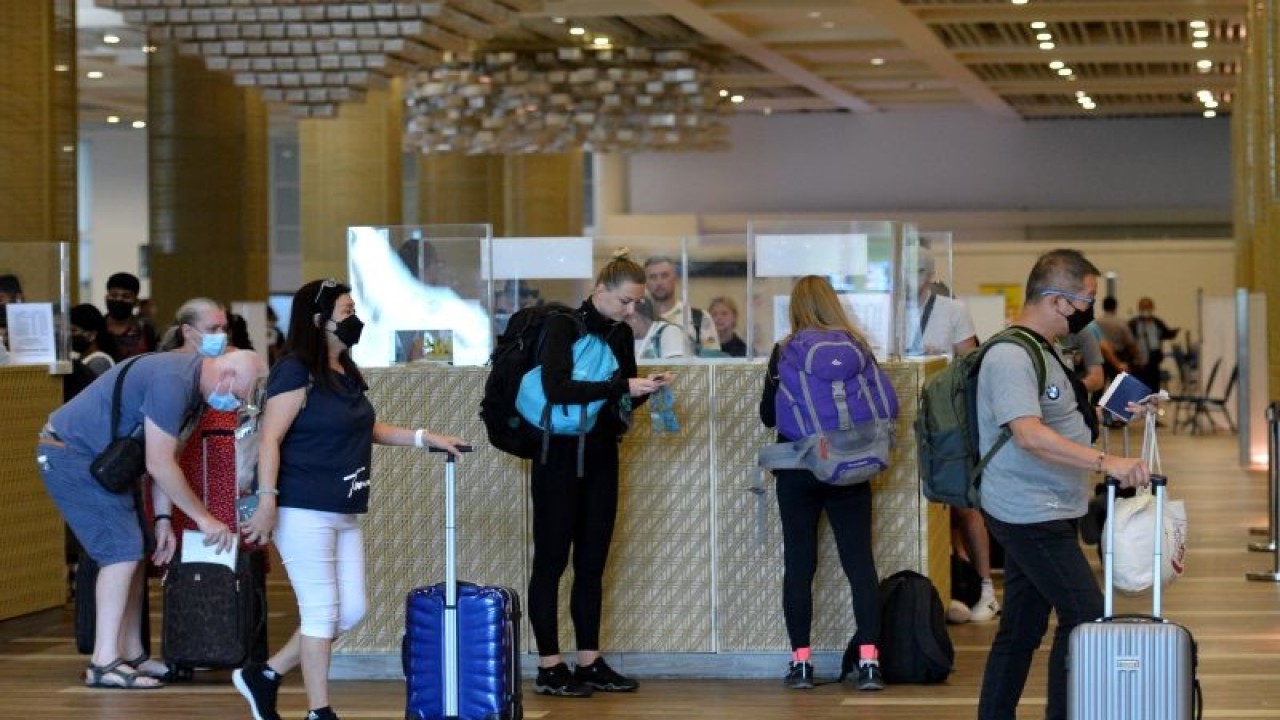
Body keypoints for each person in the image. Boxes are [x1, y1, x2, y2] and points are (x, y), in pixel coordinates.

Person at [232, 278, 466, 720]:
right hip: (301, 506)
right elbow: (270, 439)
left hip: (344, 506)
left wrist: (424, 437)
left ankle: (265, 674)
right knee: (321, 613)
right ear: (319, 320)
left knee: (351, 611)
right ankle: (319, 711)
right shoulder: (295, 370)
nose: (355, 318)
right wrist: (266, 501)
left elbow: (365, 428)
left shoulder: (344, 370)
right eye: (346, 311)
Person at [976, 249, 1149, 720]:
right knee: (1085, 615)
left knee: (1021, 628)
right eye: (1086, 299)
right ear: (1056, 299)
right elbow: (1029, 434)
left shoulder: (1045, 349)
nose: (1089, 310)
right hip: (1029, 510)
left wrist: (1113, 413)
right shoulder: (1010, 355)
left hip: (1050, 504)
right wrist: (1107, 462)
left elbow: (1059, 417)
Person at [37, 349, 264, 690]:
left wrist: (162, 520)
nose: (236, 404)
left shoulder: (193, 388)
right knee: (120, 553)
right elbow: (159, 464)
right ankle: (103, 662)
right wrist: (204, 519)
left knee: (137, 548)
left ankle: (131, 653)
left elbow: (163, 458)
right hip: (70, 454)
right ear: (226, 377)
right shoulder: (173, 383)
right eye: (240, 395)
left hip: (104, 462)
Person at [527, 256, 666, 698]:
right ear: (600, 289)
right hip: (558, 455)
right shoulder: (562, 326)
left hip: (603, 453)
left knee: (592, 563)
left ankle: (589, 661)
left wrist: (644, 390)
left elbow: (617, 401)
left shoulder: (620, 333)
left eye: (637, 303)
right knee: (551, 561)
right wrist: (622, 386)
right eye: (625, 301)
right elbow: (557, 390)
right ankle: (550, 666)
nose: (631, 310)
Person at [759, 275, 891, 692]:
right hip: (851, 464)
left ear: (794, 307)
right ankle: (869, 663)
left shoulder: (784, 351)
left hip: (799, 468)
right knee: (860, 564)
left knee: (800, 566)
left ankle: (801, 664)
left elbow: (768, 416)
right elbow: (885, 405)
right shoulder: (859, 348)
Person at [643, 255, 719, 356]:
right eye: (653, 277)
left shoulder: (699, 318)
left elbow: (714, 359)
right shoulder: (639, 320)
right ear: (645, 283)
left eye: (664, 276)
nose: (659, 282)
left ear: (676, 279)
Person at [908, 249, 978, 357]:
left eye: (917, 272)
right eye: (904, 270)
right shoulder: (883, 309)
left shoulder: (954, 310)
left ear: (931, 275)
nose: (908, 278)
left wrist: (940, 360)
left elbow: (969, 363)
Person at [104, 272, 158, 361]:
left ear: (136, 301)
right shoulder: (97, 328)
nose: (119, 299)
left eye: (126, 296)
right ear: (106, 298)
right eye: (114, 295)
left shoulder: (146, 331)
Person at [1128, 296, 1178, 393]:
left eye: (1148, 307)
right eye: (1143, 307)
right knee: (1139, 387)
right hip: (1137, 361)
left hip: (1154, 359)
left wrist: (1173, 333)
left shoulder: (1157, 322)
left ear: (1152, 308)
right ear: (1139, 308)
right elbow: (1128, 340)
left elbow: (1165, 334)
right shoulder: (1133, 324)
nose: (1146, 310)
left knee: (1153, 387)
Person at [1095, 296, 1139, 380]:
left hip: (1100, 357)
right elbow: (1130, 342)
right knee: (1117, 383)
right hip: (1118, 356)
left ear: (1103, 307)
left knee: (1101, 383)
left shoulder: (1096, 322)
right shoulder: (1121, 323)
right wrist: (1137, 357)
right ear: (1115, 307)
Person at [69, 303, 117, 378]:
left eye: (73, 330)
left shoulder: (99, 362)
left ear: (92, 335)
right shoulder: (81, 358)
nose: (68, 335)